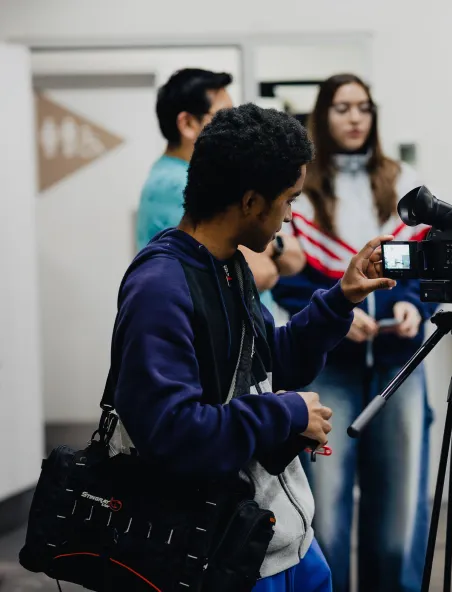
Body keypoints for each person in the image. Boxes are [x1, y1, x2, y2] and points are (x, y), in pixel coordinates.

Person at [109, 103, 397, 592]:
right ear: (250, 202)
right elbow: (173, 433)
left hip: (282, 543)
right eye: (288, 200)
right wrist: (285, 413)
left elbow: (271, 364)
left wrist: (340, 299)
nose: (289, 216)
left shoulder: (228, 265)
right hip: (220, 561)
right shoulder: (160, 287)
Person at [272, 73, 435, 592]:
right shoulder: (301, 186)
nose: (354, 117)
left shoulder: (402, 180)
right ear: (323, 115)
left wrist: (412, 306)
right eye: (342, 108)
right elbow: (289, 278)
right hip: (329, 369)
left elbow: (424, 265)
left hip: (398, 364)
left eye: (363, 107)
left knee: (398, 520)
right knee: (327, 519)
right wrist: (337, 312)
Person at [136, 68, 304, 304]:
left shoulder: (184, 175)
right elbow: (260, 273)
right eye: (223, 117)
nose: (235, 128)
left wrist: (271, 246)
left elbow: (296, 260)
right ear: (187, 123)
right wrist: (274, 249)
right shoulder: (176, 184)